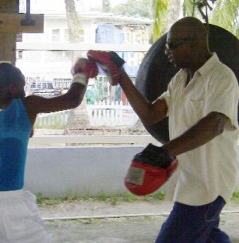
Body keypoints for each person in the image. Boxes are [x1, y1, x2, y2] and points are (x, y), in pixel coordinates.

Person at [88, 16, 239, 242]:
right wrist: (120, 76)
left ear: (196, 42)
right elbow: (151, 114)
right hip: (189, 179)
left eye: (172, 46)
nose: (167, 52)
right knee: (209, 236)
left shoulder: (221, 77)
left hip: (209, 184)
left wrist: (166, 151)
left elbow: (215, 123)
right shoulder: (179, 79)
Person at [0, 59, 98, 242]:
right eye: (23, 87)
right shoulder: (28, 106)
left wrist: (9, 134)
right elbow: (72, 100)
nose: (25, 92)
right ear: (13, 88)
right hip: (12, 205)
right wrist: (81, 73)